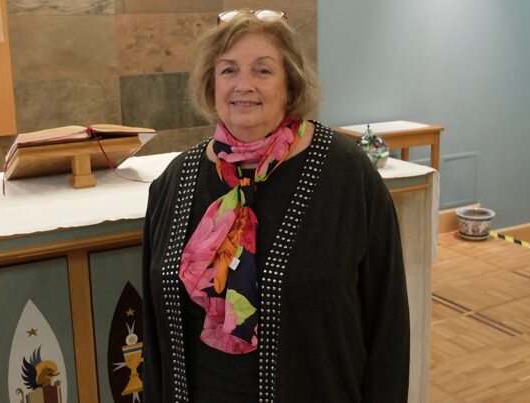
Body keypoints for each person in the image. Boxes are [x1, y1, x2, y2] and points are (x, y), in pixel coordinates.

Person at [142, 9, 409, 402]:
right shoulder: (175, 181)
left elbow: (388, 324)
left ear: (291, 84)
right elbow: (154, 329)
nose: (243, 84)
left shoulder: (348, 176)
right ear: (210, 84)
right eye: (228, 70)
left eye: (263, 70)